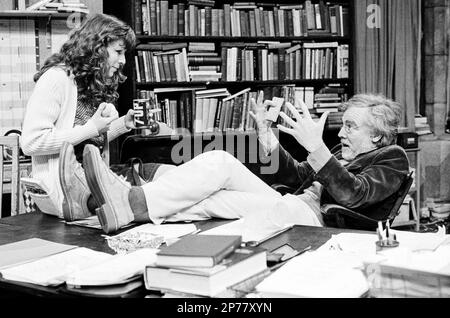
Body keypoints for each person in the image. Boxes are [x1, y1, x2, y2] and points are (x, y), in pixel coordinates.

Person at [72, 93, 410, 234]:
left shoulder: (391, 157)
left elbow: (355, 195)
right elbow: (295, 177)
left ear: (379, 136)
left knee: (214, 201)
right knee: (219, 166)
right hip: (292, 201)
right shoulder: (342, 154)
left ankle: (123, 201)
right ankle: (127, 206)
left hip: (316, 220)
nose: (344, 131)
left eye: (352, 126)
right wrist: (266, 135)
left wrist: (317, 147)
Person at [20, 13, 173, 222]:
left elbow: (87, 143)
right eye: (118, 52)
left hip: (97, 180)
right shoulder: (56, 79)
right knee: (157, 196)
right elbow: (31, 143)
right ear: (97, 48)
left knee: (169, 175)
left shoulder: (91, 83)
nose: (123, 61)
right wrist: (91, 128)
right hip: (68, 193)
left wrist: (122, 125)